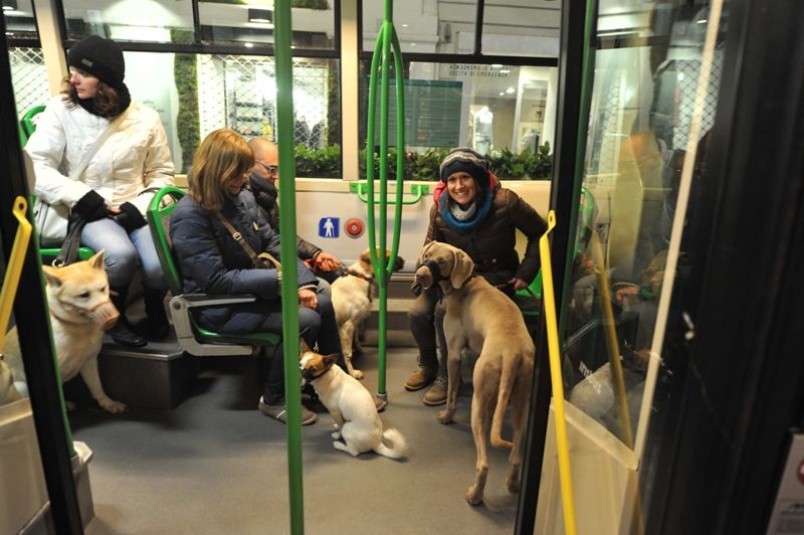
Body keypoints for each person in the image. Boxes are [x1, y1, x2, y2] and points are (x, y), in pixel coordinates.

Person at [169, 129, 343, 425]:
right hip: (216, 306)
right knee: (306, 320)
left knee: (322, 301)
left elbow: (273, 240)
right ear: (217, 173)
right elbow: (216, 281)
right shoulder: (190, 217)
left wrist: (303, 281)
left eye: (245, 172)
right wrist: (282, 284)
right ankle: (274, 398)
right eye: (237, 174)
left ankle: (340, 385)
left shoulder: (240, 197)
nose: (245, 179)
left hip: (247, 291)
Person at [26, 35, 175, 348]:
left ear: (106, 81)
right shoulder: (60, 111)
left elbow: (162, 173)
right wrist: (81, 197)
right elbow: (35, 168)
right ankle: (114, 321)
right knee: (120, 257)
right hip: (87, 208)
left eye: (85, 72)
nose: (73, 78)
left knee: (159, 266)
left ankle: (153, 310)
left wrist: (140, 205)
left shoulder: (145, 118)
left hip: (134, 205)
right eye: (73, 69)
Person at [406, 147, 547, 406]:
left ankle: (448, 377)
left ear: (478, 179)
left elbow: (541, 232)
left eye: (465, 178)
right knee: (417, 313)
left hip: (494, 275)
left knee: (442, 312)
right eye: (452, 180)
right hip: (451, 277)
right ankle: (428, 365)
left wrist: (526, 272)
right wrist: (421, 278)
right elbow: (430, 246)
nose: (459, 186)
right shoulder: (439, 208)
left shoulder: (506, 201)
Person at [247, 136, 342, 291]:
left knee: (335, 271)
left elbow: (282, 235)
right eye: (271, 169)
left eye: (277, 169)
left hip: (275, 262)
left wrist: (315, 254)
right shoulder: (248, 199)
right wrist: (295, 266)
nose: (276, 175)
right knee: (324, 288)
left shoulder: (266, 196)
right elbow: (264, 246)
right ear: (251, 165)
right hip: (264, 270)